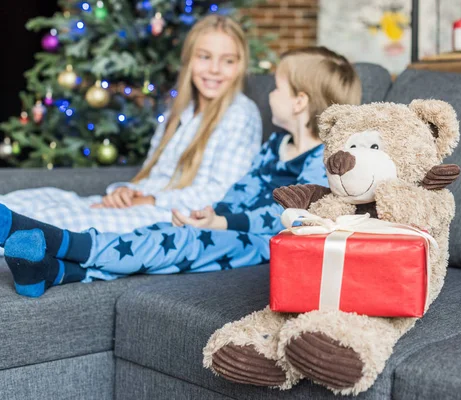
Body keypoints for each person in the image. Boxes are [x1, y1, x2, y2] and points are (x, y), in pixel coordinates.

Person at [0, 46, 362, 298]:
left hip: (261, 245)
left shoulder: (320, 161)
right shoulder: (275, 147)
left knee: (177, 243)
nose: (269, 94)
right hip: (226, 228)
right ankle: (48, 272)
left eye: (277, 87)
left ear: (299, 101)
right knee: (157, 236)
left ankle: (50, 238)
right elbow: (240, 189)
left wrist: (221, 223)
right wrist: (212, 213)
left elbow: (286, 216)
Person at [0, 15, 262, 234]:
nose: (215, 69)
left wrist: (149, 199)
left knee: (56, 223)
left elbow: (223, 194)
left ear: (240, 66)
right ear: (189, 60)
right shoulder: (179, 110)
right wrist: (127, 192)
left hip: (173, 218)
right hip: (143, 203)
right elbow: (153, 175)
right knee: (29, 201)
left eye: (228, 60)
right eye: (205, 57)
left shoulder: (240, 113)